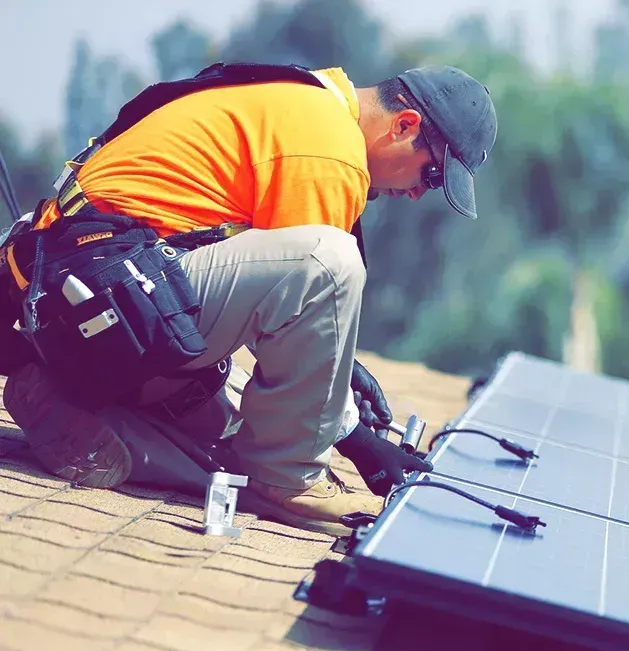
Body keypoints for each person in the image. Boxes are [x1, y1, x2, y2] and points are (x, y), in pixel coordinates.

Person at [0, 62, 498, 535]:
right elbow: (310, 281)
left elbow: (275, 298)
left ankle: (81, 415)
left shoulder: (310, 102)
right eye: (432, 175)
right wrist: (358, 440)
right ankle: (289, 481)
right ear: (405, 125)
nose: (417, 194)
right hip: (99, 303)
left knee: (246, 425)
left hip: (90, 302)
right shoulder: (332, 154)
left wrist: (339, 372)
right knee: (329, 261)